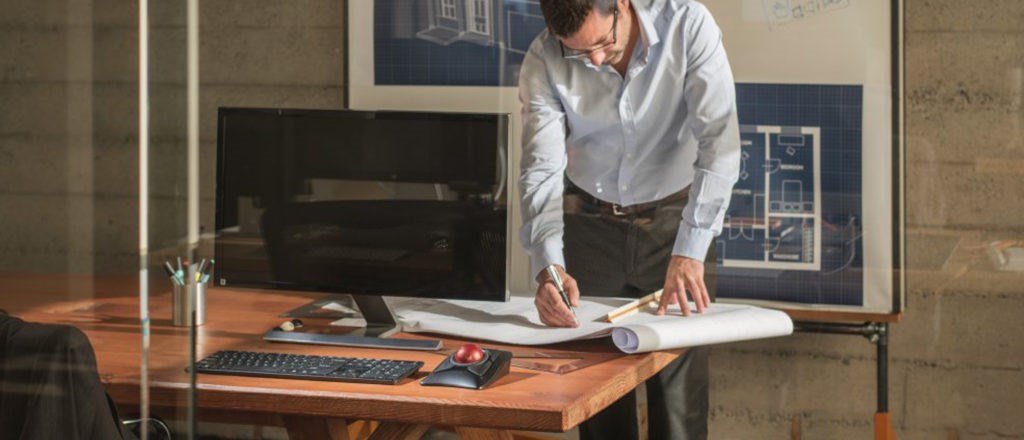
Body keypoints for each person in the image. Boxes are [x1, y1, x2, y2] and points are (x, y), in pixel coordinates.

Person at [517, 0, 740, 438]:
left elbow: (720, 143)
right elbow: (541, 169)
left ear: (621, 4)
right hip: (589, 226)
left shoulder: (687, 24)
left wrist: (691, 250)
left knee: (678, 413)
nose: (596, 60)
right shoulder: (544, 56)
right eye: (580, 53)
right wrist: (549, 266)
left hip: (675, 226)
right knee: (597, 404)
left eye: (603, 42)